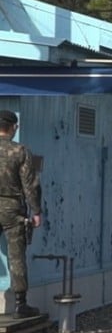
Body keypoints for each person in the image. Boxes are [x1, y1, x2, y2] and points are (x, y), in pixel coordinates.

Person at [0, 110, 42, 318]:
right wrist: (36, 211)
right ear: (13, 127)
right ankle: (20, 304)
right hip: (12, 209)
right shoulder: (20, 151)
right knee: (16, 256)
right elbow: (30, 185)